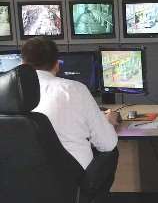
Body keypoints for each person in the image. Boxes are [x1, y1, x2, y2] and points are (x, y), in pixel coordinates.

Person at [21, 37, 120, 197]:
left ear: (22, 65)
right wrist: (106, 122)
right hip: (71, 181)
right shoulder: (74, 89)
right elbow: (107, 144)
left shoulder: (10, 97)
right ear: (57, 65)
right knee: (111, 152)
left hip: (24, 181)